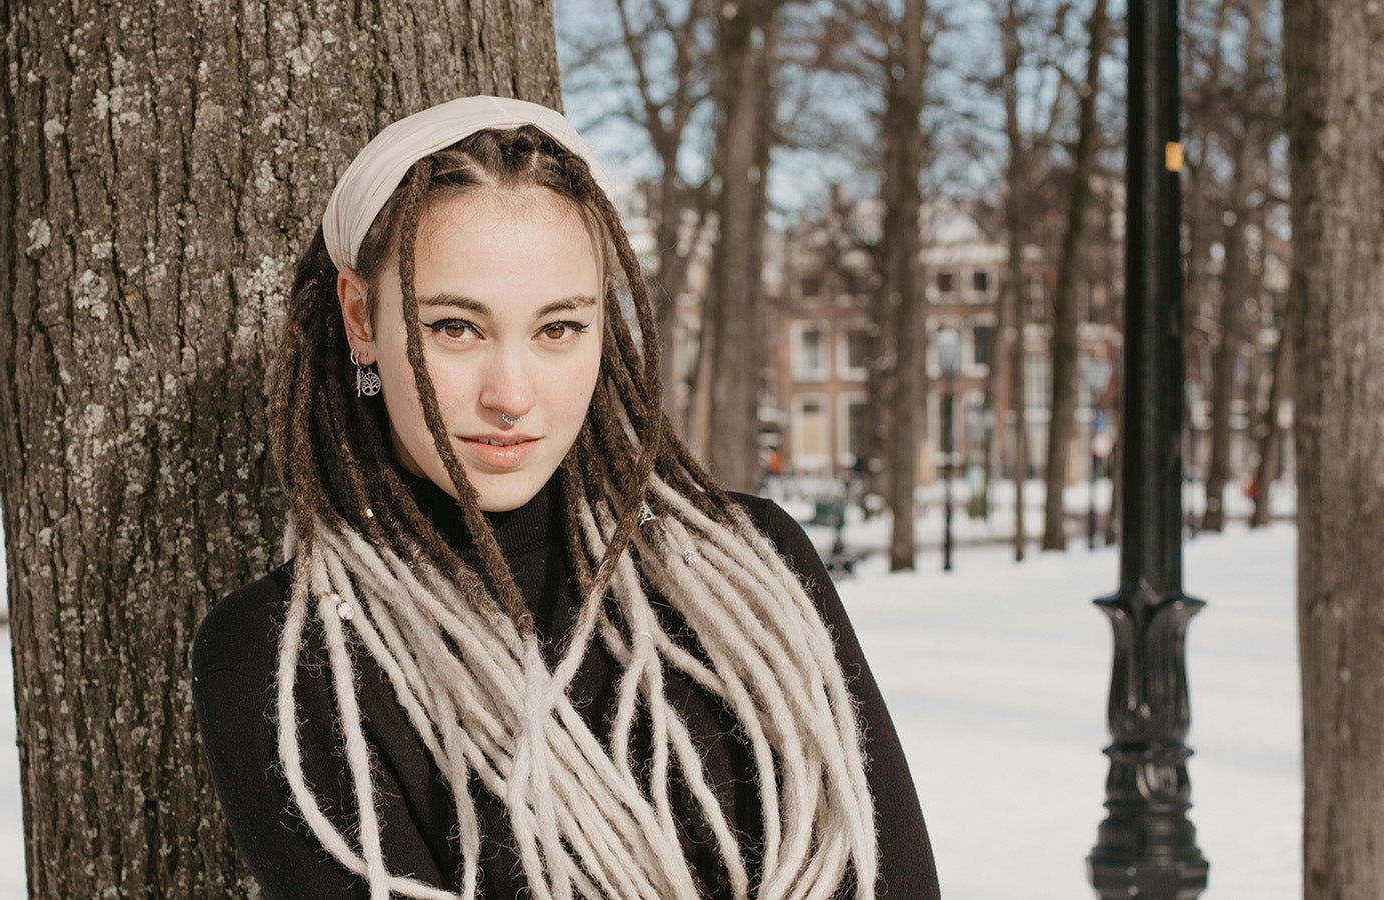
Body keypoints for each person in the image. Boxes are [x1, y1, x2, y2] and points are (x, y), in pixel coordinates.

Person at [191, 96, 938, 900]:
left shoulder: (752, 563)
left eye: (558, 329)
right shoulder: (283, 660)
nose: (510, 395)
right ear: (359, 317)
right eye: (455, 328)